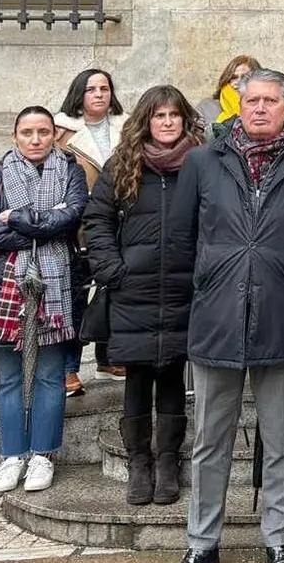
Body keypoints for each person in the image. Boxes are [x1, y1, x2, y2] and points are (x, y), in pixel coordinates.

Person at [164, 69, 284, 563]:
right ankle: (202, 544)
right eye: (251, 99)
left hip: (281, 315)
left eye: (270, 100)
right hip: (215, 316)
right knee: (209, 439)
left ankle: (279, 539)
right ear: (238, 105)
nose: (259, 108)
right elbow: (183, 237)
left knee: (282, 439)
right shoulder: (202, 161)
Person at [83, 86, 204, 506]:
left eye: (174, 115)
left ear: (185, 119)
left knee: (172, 372)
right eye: (159, 116)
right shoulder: (124, 164)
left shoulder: (202, 164)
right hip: (132, 288)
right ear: (146, 121)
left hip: (183, 287)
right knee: (136, 374)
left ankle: (168, 460)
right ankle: (140, 461)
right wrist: (112, 269)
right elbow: (95, 219)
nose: (167, 122)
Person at [0, 105, 89, 494]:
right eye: (28, 132)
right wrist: (41, 225)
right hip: (6, 287)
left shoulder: (71, 171)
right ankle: (12, 455)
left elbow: (71, 217)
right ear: (15, 136)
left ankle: (43, 454)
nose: (36, 139)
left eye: (43, 132)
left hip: (56, 287)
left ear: (54, 135)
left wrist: (16, 218)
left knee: (50, 377)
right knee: (8, 378)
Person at [54, 68, 130, 394]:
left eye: (104, 88)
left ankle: (108, 357)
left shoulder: (129, 128)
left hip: (122, 220)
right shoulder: (60, 132)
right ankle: (69, 368)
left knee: (113, 290)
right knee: (76, 295)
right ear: (79, 95)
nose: (99, 94)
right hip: (79, 225)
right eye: (91, 89)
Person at [196, 55, 260, 126]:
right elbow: (194, 134)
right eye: (233, 78)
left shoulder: (265, 109)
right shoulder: (206, 107)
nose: (238, 82)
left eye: (245, 77)